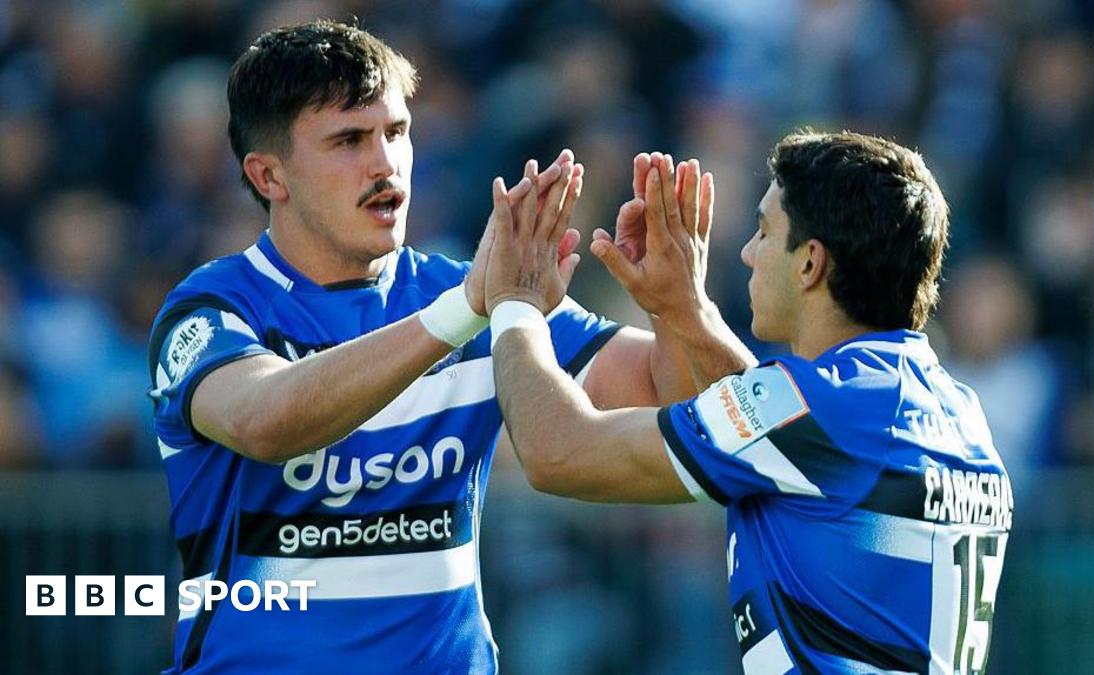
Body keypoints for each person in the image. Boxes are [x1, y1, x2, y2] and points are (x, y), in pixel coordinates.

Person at [147, 20, 710, 674]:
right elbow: (263, 420)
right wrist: (471, 307)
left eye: (396, 132)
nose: (385, 163)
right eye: (349, 140)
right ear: (269, 175)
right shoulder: (214, 306)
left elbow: (680, 402)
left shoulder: (471, 292)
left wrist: (682, 309)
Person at [486, 131, 1014, 674]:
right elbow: (769, 420)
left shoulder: (824, 411)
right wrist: (685, 309)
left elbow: (557, 453)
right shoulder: (952, 409)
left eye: (763, 232)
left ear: (810, 263)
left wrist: (514, 302)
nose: (746, 252)